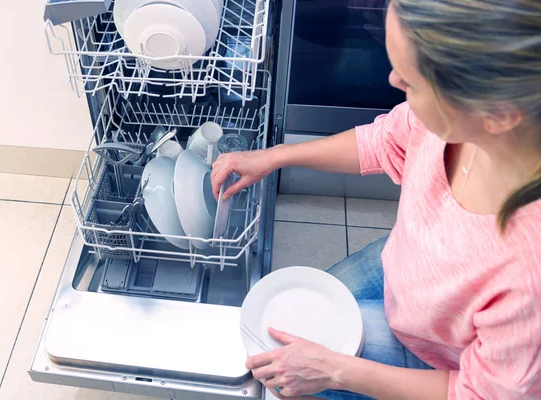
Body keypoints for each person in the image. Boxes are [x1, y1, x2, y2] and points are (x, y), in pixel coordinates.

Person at [210, 0, 541, 399]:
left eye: (412, 82)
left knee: (294, 360)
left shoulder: (529, 273)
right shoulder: (456, 122)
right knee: (296, 335)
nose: (392, 80)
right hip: (402, 265)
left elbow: (480, 394)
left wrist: (334, 371)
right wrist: (275, 156)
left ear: (498, 113)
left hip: (437, 358)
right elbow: (383, 140)